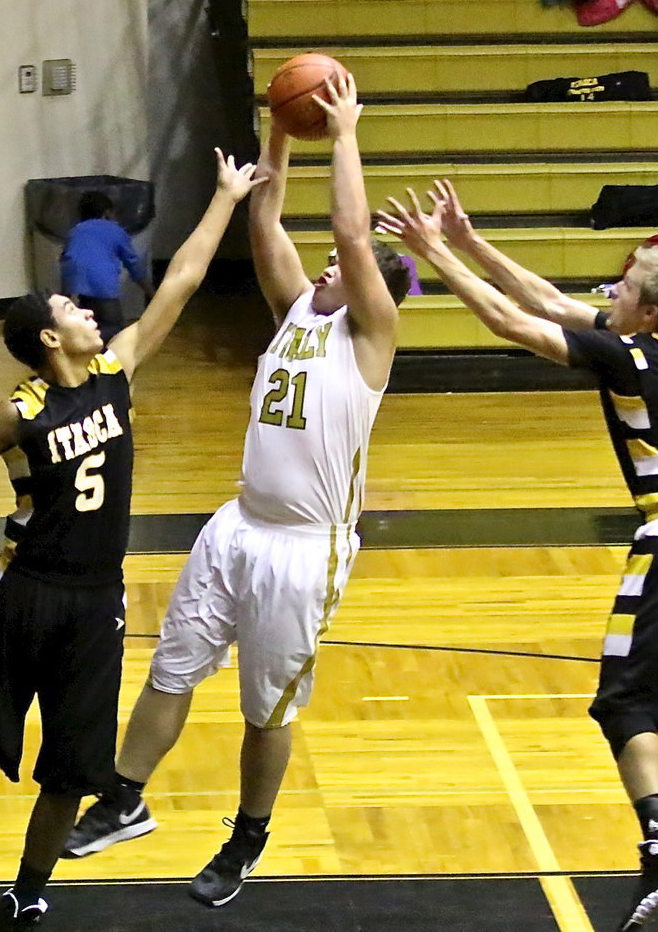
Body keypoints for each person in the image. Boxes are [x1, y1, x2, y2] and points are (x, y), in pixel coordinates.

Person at [60, 75, 410, 909]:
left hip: (304, 548)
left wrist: (348, 134)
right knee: (169, 671)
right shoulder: (299, 313)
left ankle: (246, 835)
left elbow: (353, 239)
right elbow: (265, 222)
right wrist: (279, 135)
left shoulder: (370, 338)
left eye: (342, 267)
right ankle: (123, 797)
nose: (329, 264)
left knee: (265, 713)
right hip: (236, 524)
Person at [378, 180, 658, 932]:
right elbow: (549, 299)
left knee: (624, 702)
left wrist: (431, 255)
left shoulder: (628, 358)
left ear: (644, 313)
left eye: (620, 288)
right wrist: (466, 238)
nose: (607, 294)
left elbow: (510, 319)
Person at [0, 148, 263, 932]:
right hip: (22, 594)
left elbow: (182, 282)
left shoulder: (117, 370)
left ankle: (28, 895)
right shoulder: (16, 414)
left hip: (96, 601)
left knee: (72, 766)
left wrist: (226, 199)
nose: (90, 312)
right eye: (72, 309)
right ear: (46, 338)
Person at [59, 190, 155, 343]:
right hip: (105, 288)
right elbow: (134, 264)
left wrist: (65, 296)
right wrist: (151, 292)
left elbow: (67, 260)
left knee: (90, 325)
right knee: (115, 330)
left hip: (80, 289)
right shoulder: (116, 231)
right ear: (107, 213)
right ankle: (114, 363)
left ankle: (88, 357)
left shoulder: (75, 231)